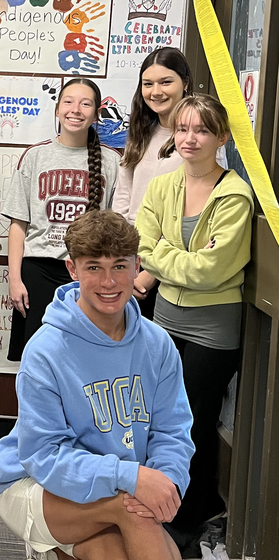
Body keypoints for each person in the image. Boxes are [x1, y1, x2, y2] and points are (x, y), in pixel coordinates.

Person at [0, 210, 194, 560]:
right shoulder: (46, 350)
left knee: (112, 549)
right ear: (72, 269)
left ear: (136, 266)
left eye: (119, 266)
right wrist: (132, 478)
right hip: (33, 482)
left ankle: (57, 552)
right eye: (94, 267)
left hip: (112, 485)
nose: (109, 281)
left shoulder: (157, 344)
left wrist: (167, 482)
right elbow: (43, 456)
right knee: (135, 517)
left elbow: (173, 431)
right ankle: (50, 542)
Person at [135, 94, 253, 555]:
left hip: (212, 328)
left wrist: (163, 256)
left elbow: (211, 271)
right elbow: (142, 244)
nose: (189, 139)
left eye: (201, 130)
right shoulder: (163, 186)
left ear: (221, 137)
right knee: (159, 418)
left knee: (193, 427)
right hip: (164, 319)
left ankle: (184, 521)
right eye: (182, 129)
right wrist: (169, 256)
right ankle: (165, 501)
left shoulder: (235, 194)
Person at [2, 78, 120, 363]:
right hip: (38, 271)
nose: (75, 110)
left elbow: (118, 230)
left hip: (87, 272)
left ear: (95, 114)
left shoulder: (113, 161)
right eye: (68, 101)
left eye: (85, 103)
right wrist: (15, 279)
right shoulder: (35, 156)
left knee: (83, 358)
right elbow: (18, 225)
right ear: (57, 110)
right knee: (37, 359)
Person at [111, 48, 226, 318]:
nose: (156, 91)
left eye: (166, 82)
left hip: (169, 266)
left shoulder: (199, 138)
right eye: (148, 84)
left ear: (185, 83)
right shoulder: (140, 132)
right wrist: (120, 260)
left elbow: (202, 212)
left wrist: (150, 274)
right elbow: (123, 199)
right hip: (131, 257)